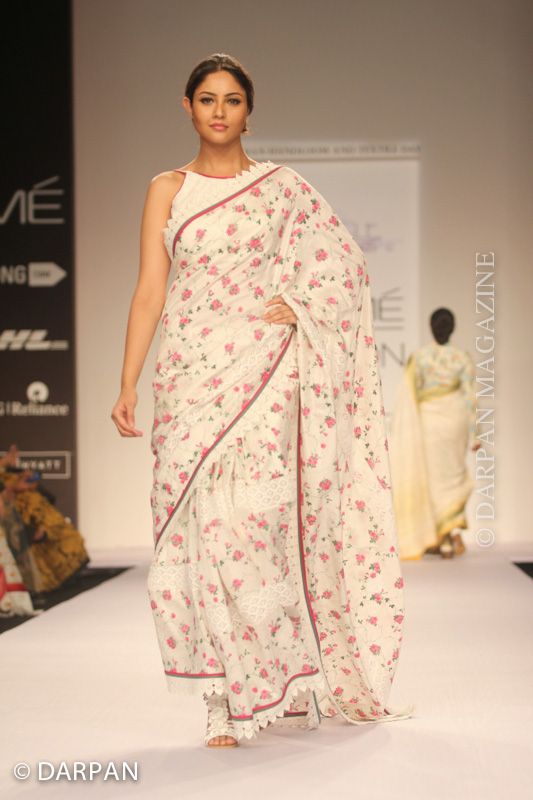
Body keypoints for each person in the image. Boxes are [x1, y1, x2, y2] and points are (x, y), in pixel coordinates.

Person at [112, 54, 408, 748]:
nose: (219, 111)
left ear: (249, 111)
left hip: (264, 376)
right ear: (187, 106)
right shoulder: (166, 189)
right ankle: (219, 697)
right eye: (207, 99)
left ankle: (286, 679)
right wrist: (127, 382)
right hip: (189, 379)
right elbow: (151, 289)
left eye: (232, 100)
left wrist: (299, 305)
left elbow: (345, 267)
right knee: (196, 535)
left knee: (256, 531)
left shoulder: (281, 189)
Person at [390, 308, 480, 560]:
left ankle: (443, 539)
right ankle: (450, 533)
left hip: (429, 421)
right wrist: (476, 434)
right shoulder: (462, 357)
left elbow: (410, 394)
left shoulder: (420, 358)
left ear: (431, 328)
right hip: (455, 421)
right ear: (453, 329)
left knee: (433, 478)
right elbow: (470, 397)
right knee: (453, 475)